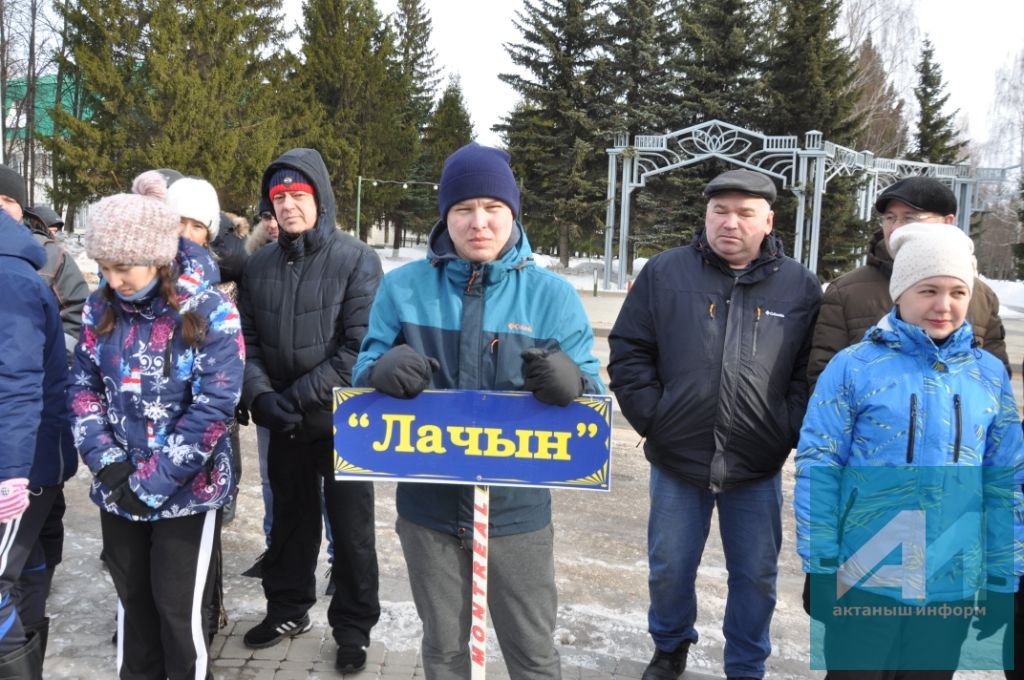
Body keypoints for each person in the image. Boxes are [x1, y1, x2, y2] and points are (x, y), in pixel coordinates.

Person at [353, 142, 603, 679]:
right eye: (464, 209)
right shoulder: (402, 289)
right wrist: (379, 371)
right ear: (445, 216)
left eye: (493, 208)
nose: (479, 223)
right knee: (445, 647)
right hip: (429, 509)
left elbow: (593, 396)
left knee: (532, 650)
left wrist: (573, 382)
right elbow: (362, 371)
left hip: (517, 509)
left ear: (513, 213)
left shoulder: (551, 296)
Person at [608, 169, 822, 680]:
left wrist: (783, 426)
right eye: (719, 211)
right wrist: (654, 418)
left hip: (757, 463)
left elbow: (809, 371)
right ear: (704, 216)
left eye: (745, 213)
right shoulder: (664, 273)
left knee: (755, 576)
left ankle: (746, 664)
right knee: (670, 567)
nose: (730, 222)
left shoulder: (799, 286)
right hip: (678, 458)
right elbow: (630, 351)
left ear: (768, 221)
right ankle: (670, 646)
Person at [794, 223, 1023, 679]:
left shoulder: (988, 375)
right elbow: (819, 465)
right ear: (901, 292)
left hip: (950, 578)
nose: (944, 305)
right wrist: (820, 563)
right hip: (865, 571)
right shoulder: (854, 367)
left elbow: (1005, 479)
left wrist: (1004, 576)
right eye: (929, 290)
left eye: (959, 291)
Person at [67, 171, 244, 679]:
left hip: (185, 493)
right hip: (118, 488)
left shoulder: (208, 310)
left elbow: (214, 407)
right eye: (103, 266)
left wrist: (152, 482)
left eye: (122, 267)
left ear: (157, 257)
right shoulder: (102, 307)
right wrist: (109, 467)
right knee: (133, 608)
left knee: (175, 613)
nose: (111, 279)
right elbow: (82, 390)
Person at [237, 148, 382, 671]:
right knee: (291, 524)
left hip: (342, 423)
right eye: (280, 198)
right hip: (284, 422)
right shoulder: (258, 266)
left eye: (299, 195)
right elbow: (245, 341)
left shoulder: (356, 259)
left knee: (351, 531)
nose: (290, 206)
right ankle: (287, 608)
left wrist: (291, 400)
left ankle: (353, 626)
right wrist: (259, 397)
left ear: (319, 198)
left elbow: (359, 349)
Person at [808, 176, 1008, 388]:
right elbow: (823, 379)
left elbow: (997, 383)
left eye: (910, 218)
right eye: (890, 218)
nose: (896, 229)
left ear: (948, 222)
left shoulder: (981, 297)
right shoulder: (845, 291)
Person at [0, 199, 78, 678]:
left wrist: (11, 473)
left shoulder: (11, 280)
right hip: (25, 458)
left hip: (21, 463)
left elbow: (17, 384)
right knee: (24, 570)